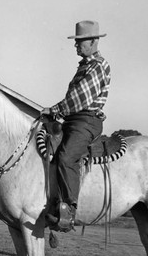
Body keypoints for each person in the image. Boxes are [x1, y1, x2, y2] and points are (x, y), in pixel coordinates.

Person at [41, 20, 111, 230]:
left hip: (85, 121)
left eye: (80, 41)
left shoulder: (98, 66)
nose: (76, 45)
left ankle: (69, 209)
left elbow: (78, 99)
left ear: (94, 41)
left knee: (66, 156)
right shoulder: (85, 66)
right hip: (74, 119)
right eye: (77, 41)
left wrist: (54, 110)